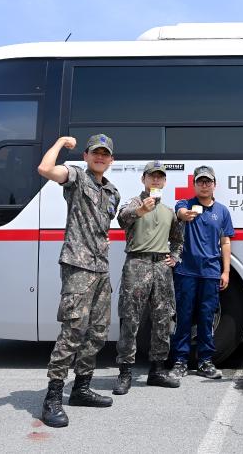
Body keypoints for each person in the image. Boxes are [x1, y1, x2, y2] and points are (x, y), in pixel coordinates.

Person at [38, 134, 120, 428]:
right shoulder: (76, 178)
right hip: (77, 267)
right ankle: (53, 397)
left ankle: (82, 388)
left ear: (111, 160)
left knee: (98, 332)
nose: (100, 157)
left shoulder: (113, 192)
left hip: (101, 269)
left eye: (105, 154)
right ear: (86, 156)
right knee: (72, 331)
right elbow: (45, 169)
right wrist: (60, 142)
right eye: (95, 153)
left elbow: (102, 227)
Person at [112, 161, 184, 394]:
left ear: (164, 181)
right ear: (143, 179)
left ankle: (157, 370)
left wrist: (174, 256)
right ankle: (124, 372)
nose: (156, 180)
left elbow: (178, 238)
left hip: (161, 268)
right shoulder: (135, 202)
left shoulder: (168, 211)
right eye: (151, 176)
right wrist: (141, 209)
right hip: (137, 263)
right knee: (130, 319)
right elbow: (122, 219)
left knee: (163, 319)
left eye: (160, 177)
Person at [169, 165, 234, 380]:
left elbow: (225, 242)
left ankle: (205, 361)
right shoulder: (186, 204)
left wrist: (225, 271)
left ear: (214, 185)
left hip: (211, 272)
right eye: (200, 181)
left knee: (207, 318)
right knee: (184, 316)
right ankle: (180, 361)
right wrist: (183, 215)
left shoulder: (222, 211)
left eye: (208, 181)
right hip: (186, 271)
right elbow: (179, 212)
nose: (204, 185)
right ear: (194, 184)